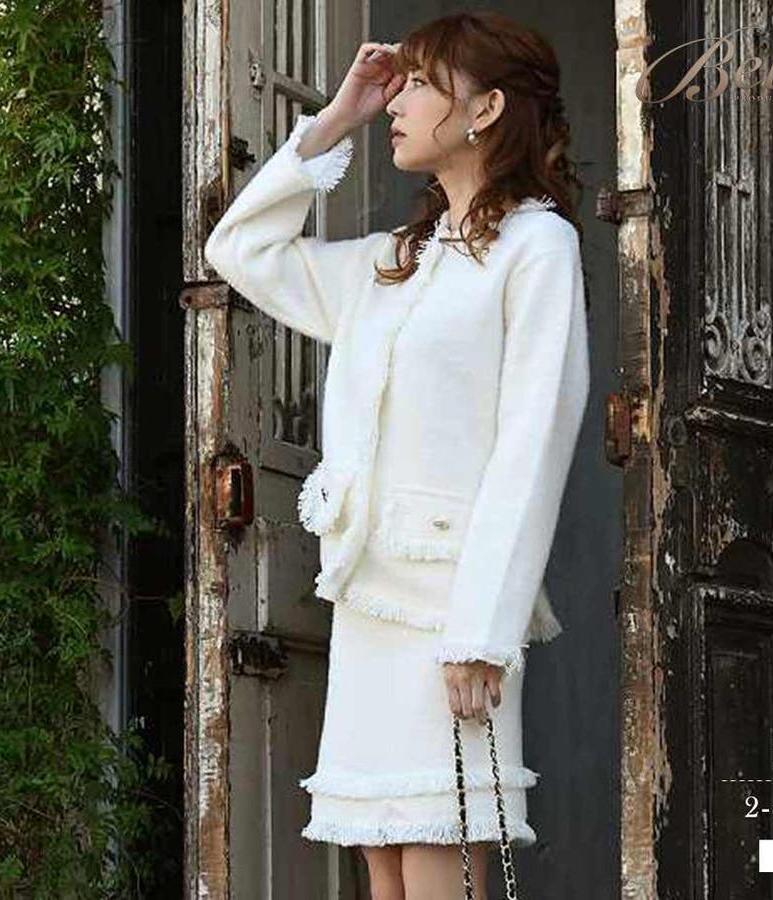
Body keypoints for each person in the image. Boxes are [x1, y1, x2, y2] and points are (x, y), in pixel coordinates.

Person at [204, 11, 590, 899]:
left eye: (421, 84)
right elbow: (238, 249)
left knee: (438, 855)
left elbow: (533, 446)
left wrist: (484, 634)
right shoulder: (393, 263)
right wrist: (333, 120)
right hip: (370, 604)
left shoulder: (538, 246)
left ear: (486, 109)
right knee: (383, 865)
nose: (398, 103)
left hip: (452, 609)